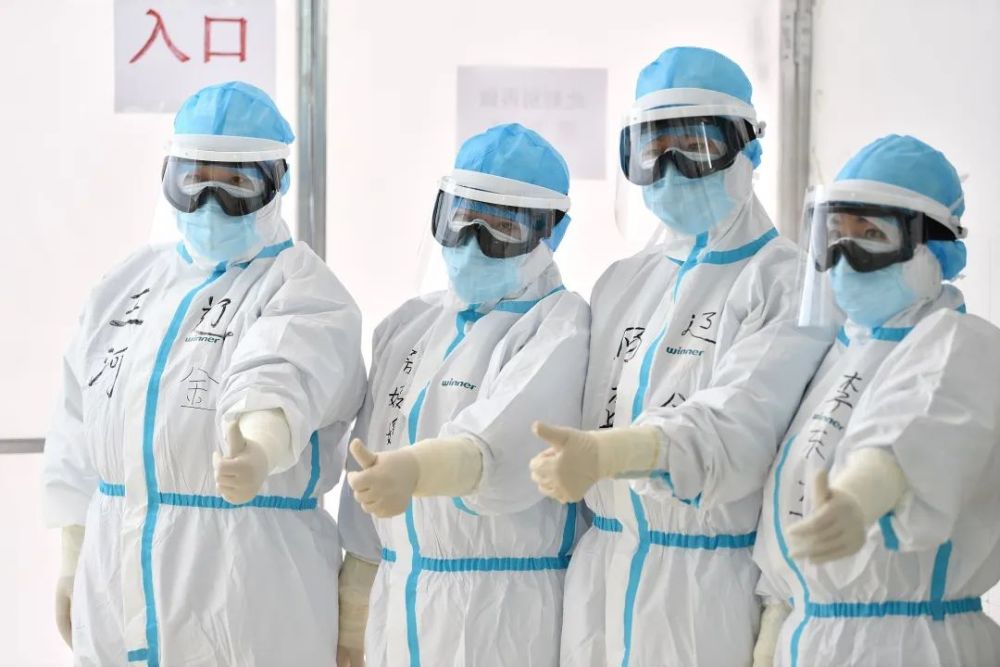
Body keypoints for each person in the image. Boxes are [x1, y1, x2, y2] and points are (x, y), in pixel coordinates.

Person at [42, 81, 367, 667]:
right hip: (115, 582)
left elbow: (280, 376)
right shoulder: (128, 285)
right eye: (193, 181)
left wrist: (260, 446)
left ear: (277, 183)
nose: (210, 203)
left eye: (236, 184)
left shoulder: (302, 287)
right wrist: (72, 552)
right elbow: (76, 423)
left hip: (249, 589)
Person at [528, 46, 831, 666]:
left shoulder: (786, 282)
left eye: (695, 147)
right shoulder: (622, 282)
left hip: (704, 593)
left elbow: (740, 425)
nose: (669, 170)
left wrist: (617, 453)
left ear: (748, 150)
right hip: (600, 577)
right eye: (652, 150)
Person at [336, 123, 590, 667]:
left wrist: (418, 470)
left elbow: (502, 447)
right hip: (398, 602)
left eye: (501, 228)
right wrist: (355, 599)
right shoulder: (409, 324)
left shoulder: (559, 326)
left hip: (502, 615)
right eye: (461, 220)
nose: (473, 245)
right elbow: (367, 471)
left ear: (551, 234)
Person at [752, 134, 1000, 667]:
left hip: (910, 643)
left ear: (934, 250)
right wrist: (776, 618)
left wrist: (859, 498)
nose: (845, 255)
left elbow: (917, 434)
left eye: (870, 234)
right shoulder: (839, 356)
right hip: (811, 636)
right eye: (835, 234)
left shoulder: (962, 343)